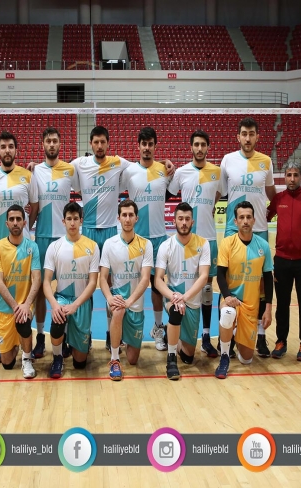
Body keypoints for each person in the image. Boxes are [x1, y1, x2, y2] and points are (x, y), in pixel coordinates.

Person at [71, 125, 173, 351]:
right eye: (96, 142)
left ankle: (128, 331)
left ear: (109, 144)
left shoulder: (121, 164)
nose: (100, 146)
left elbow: (159, 172)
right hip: (91, 231)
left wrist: (166, 163)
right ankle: (84, 331)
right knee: (88, 284)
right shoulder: (82, 164)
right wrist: (34, 166)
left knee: (143, 284)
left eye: (103, 142)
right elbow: (59, 168)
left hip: (136, 234)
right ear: (91, 144)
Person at [220, 117, 276, 358]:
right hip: (232, 230)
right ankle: (229, 335)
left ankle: (260, 335)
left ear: (257, 137)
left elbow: (272, 193)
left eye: (252, 134)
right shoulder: (228, 160)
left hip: (259, 229)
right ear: (238, 137)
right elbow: (220, 191)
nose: (248, 138)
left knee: (260, 285)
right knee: (230, 282)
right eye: (244, 133)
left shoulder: (266, 161)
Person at [0, 131, 37, 363]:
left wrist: (26, 227)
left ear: (16, 150)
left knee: (26, 289)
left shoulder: (27, 176)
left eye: (11, 146)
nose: (7, 150)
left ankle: (28, 341)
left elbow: (34, 206)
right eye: (3, 146)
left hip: (23, 245)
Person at [167, 130, 222, 358]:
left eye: (203, 145)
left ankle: (206, 336)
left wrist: (208, 209)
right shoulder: (181, 172)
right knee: (181, 284)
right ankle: (177, 331)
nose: (199, 148)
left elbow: (218, 194)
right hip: (186, 240)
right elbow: (168, 192)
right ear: (191, 147)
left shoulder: (217, 172)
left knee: (207, 288)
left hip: (208, 238)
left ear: (208, 147)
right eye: (196, 145)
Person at [120, 127, 171, 351]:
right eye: (144, 144)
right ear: (138, 146)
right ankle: (123, 330)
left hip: (159, 239)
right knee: (130, 286)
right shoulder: (129, 171)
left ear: (155, 146)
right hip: (136, 240)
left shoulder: (164, 170)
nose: (147, 148)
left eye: (151, 144)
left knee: (157, 287)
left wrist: (167, 163)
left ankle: (158, 328)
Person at [266, 161, 301, 361]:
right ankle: (281, 341)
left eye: (295, 175)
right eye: (289, 175)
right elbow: (265, 217)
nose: (292, 179)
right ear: (284, 177)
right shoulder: (278, 199)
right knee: (282, 305)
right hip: (281, 261)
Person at [28, 127, 76, 359]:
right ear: (43, 145)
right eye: (48, 141)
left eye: (55, 141)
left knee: (64, 290)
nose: (51, 144)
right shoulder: (34, 170)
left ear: (60, 144)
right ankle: (39, 336)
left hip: (64, 240)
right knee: (39, 290)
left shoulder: (70, 170)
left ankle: (64, 336)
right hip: (42, 238)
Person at [215, 201, 274, 379]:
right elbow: (220, 275)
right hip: (231, 299)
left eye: (249, 217)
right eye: (241, 217)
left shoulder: (263, 246)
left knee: (246, 359)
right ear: (235, 221)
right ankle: (224, 357)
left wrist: (268, 309)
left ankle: (235, 332)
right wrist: (227, 296)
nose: (245, 221)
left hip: (250, 305)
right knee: (227, 312)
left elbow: (268, 279)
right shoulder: (227, 243)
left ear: (254, 220)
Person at [154, 202, 211, 380]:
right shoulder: (166, 246)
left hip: (191, 301)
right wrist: (173, 297)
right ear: (174, 221)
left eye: (187, 219)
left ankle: (171, 333)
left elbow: (204, 276)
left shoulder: (203, 244)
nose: (184, 222)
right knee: (176, 311)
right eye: (180, 219)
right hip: (173, 298)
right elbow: (158, 280)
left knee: (188, 357)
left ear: (192, 222)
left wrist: (185, 297)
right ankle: (171, 359)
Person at [43, 202, 100, 379]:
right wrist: (54, 305)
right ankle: (57, 357)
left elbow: (93, 283)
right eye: (69, 219)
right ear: (63, 221)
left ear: (81, 220)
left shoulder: (92, 246)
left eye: (76, 218)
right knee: (58, 319)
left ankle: (80, 339)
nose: (72, 222)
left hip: (81, 302)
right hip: (62, 297)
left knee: (80, 363)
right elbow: (46, 282)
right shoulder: (54, 247)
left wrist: (76, 305)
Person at [99, 200, 153, 380]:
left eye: (131, 215)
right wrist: (109, 298)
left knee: (132, 360)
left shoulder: (146, 244)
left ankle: (121, 338)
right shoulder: (109, 244)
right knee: (118, 309)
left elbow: (145, 279)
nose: (127, 219)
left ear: (136, 218)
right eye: (124, 215)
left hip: (135, 304)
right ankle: (114, 359)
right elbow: (102, 278)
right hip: (117, 299)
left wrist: (130, 302)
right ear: (119, 218)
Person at [0, 204, 42, 378]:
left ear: (24, 223)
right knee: (7, 363)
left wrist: (26, 305)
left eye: (18, 219)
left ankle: (27, 358)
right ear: (6, 223)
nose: (15, 222)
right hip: (6, 308)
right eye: (12, 219)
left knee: (23, 321)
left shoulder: (32, 247)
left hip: (25, 305)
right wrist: (15, 306)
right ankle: (17, 344)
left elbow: (37, 279)